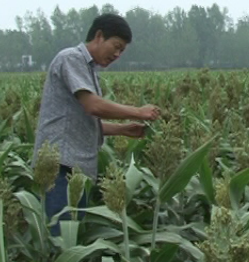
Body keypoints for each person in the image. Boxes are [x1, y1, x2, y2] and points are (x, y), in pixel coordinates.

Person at [32, 13, 161, 236]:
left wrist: (123, 129)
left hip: (77, 171)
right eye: (116, 46)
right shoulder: (71, 58)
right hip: (59, 168)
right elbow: (93, 106)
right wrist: (139, 112)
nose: (117, 54)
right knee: (61, 241)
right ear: (99, 36)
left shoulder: (89, 70)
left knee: (73, 239)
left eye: (122, 51)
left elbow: (84, 122)